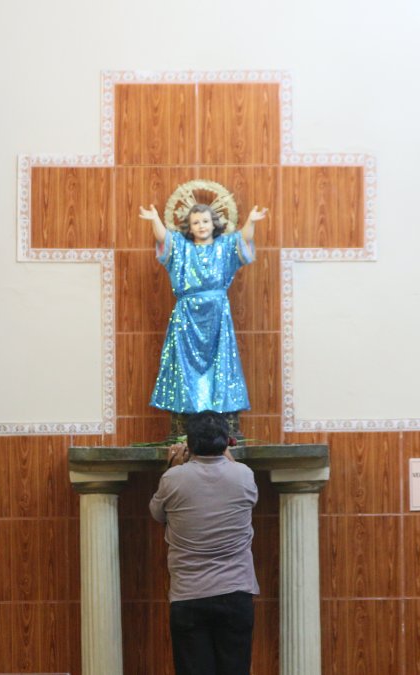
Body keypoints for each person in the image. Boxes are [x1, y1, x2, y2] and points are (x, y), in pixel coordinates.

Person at [149, 411, 258, 675]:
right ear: (226, 442)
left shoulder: (173, 479)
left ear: (190, 443)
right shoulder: (244, 475)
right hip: (236, 593)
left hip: (189, 596)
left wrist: (173, 467)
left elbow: (157, 514)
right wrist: (227, 459)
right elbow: (249, 497)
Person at [139, 202, 266, 416]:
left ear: (213, 223)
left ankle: (218, 410)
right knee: (184, 363)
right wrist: (154, 219)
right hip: (187, 314)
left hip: (217, 314)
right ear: (189, 227)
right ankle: (187, 412)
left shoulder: (224, 246)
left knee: (220, 360)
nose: (201, 226)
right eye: (196, 222)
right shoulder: (181, 247)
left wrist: (251, 221)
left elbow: (243, 238)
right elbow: (164, 238)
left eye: (205, 221)